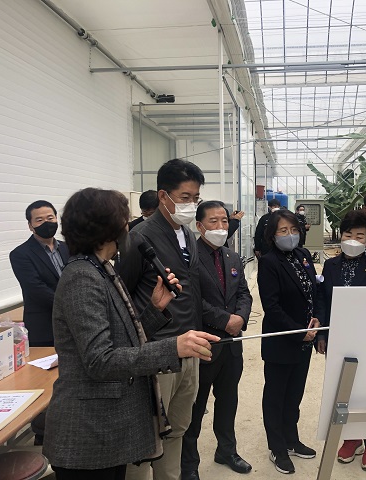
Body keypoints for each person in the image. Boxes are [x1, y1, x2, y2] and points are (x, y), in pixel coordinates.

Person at [43, 187, 218, 480]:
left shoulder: (101, 270)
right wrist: (172, 347)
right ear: (106, 228)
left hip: (105, 431)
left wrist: (155, 309)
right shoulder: (82, 279)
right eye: (124, 221)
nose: (129, 227)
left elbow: (122, 338)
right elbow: (101, 360)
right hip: (88, 437)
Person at [118, 158, 206, 480]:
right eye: (185, 198)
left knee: (178, 426)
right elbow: (122, 296)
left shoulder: (188, 235)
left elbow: (192, 289)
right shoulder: (139, 238)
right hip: (157, 350)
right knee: (148, 431)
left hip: (189, 346)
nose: (191, 205)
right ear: (163, 196)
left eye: (195, 198)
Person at [315, 209, 366, 472]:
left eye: (359, 235)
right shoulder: (330, 265)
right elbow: (323, 301)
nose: (352, 239)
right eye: (348, 234)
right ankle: (351, 438)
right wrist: (323, 334)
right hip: (339, 339)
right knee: (343, 390)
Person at [181, 202, 253, 480]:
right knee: (195, 406)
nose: (221, 227)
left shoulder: (232, 257)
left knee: (228, 400)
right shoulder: (188, 258)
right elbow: (190, 300)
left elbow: (244, 293)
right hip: (204, 344)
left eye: (224, 221)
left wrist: (240, 318)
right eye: (213, 222)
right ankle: (189, 464)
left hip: (232, 346)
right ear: (199, 226)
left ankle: (226, 450)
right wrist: (225, 320)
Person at [257, 209, 320, 475]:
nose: (290, 235)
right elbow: (271, 307)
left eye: (294, 230)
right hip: (282, 340)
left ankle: (292, 440)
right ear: (272, 235)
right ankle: (277, 447)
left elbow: (312, 291)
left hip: (304, 341)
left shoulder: (303, 256)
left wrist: (316, 318)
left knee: (294, 394)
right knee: (276, 396)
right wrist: (297, 331)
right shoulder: (269, 262)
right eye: (283, 231)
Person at [10, 200, 69, 347]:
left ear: (56, 219)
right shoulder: (20, 254)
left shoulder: (68, 248)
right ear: (30, 226)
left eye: (50, 218)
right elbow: (36, 289)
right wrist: (70, 305)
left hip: (72, 326)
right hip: (44, 328)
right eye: (39, 220)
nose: (46, 223)